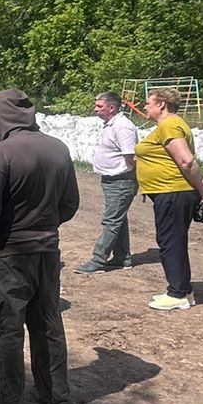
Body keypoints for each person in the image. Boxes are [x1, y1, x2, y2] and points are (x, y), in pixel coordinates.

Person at [0, 91, 79, 404]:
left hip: (8, 254)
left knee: (6, 330)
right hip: (47, 252)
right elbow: (70, 204)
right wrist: (44, 225)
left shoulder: (0, 152)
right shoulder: (58, 148)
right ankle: (56, 397)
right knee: (47, 324)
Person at [135, 89, 203, 312]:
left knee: (170, 242)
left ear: (161, 104)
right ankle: (182, 289)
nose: (144, 107)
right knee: (174, 241)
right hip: (172, 192)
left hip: (173, 193)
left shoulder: (169, 125)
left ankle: (178, 294)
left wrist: (201, 187)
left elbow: (187, 161)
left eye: (148, 103)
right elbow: (180, 160)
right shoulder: (169, 125)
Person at [75, 93, 139, 275]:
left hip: (121, 181)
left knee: (111, 220)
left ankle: (98, 259)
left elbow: (131, 157)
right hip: (112, 181)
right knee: (118, 219)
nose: (95, 109)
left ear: (112, 108)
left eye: (99, 106)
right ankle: (122, 258)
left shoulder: (123, 127)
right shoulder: (112, 125)